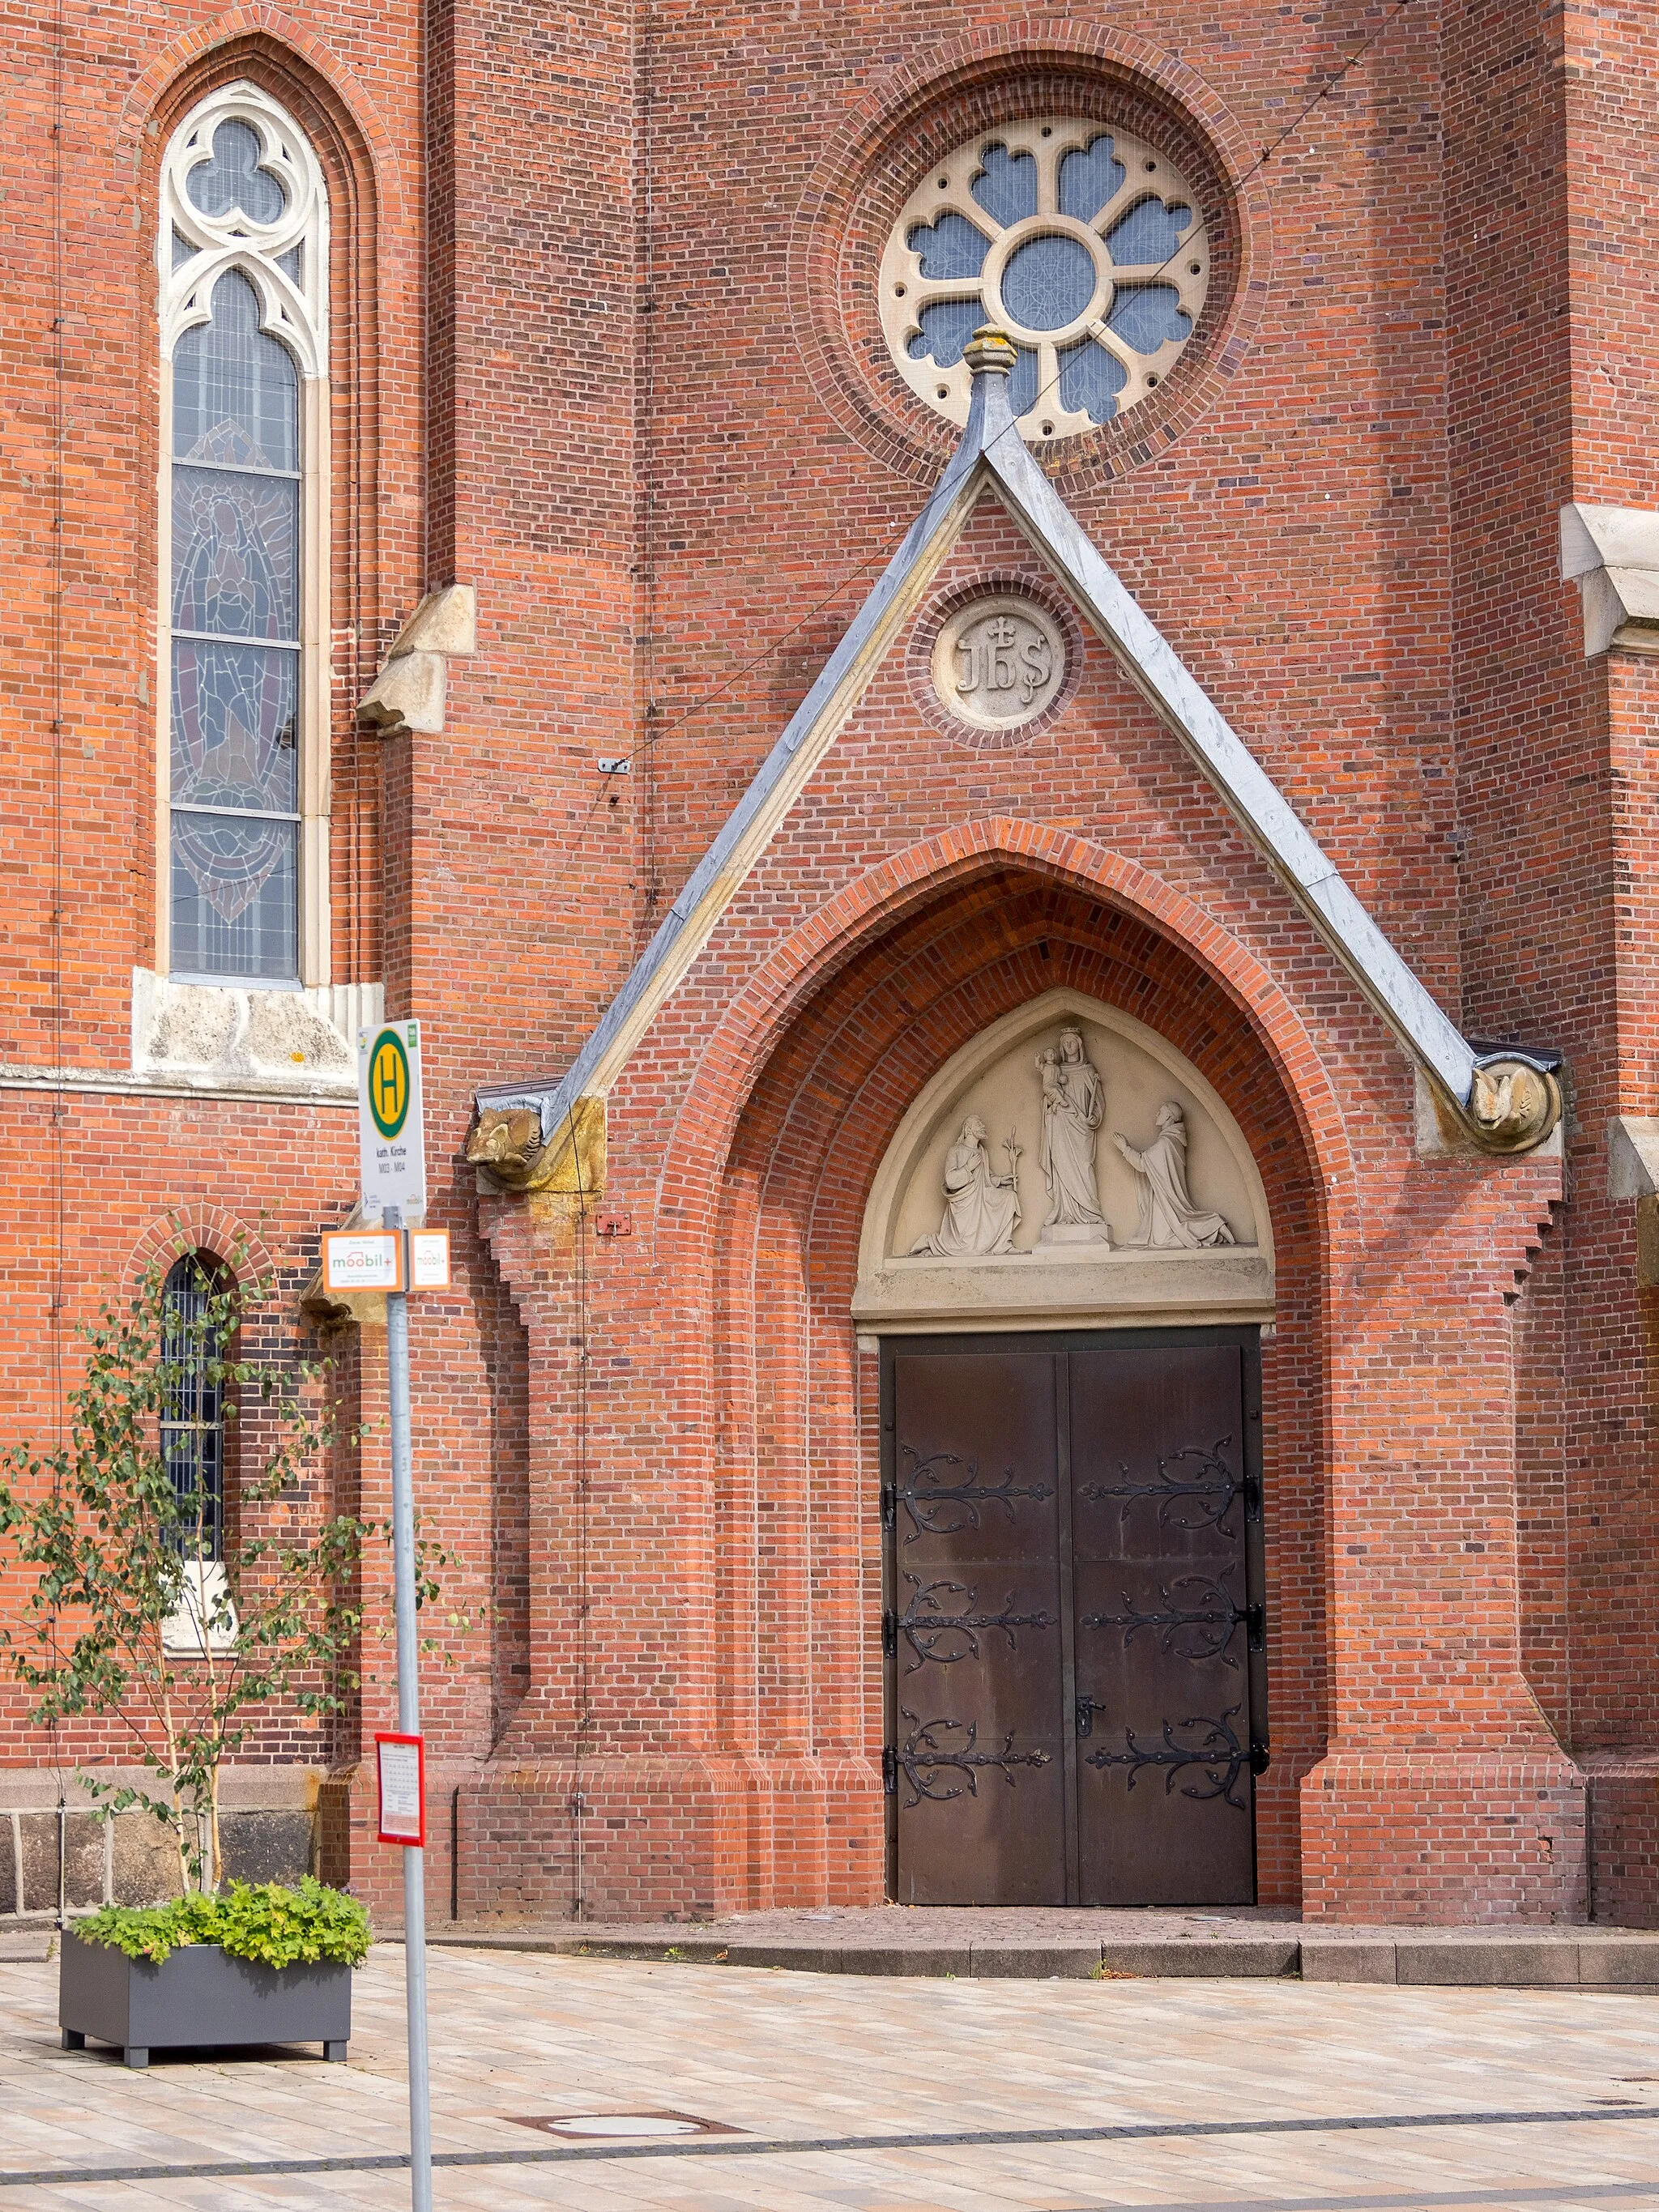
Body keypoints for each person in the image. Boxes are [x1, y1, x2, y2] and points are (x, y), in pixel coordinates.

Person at [1113, 1101, 1236, 1249]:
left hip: (1166, 1198)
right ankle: (1213, 1227)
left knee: (1164, 1238)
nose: (1157, 1114)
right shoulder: (1174, 1140)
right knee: (1162, 1238)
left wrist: (1125, 1148)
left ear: (1169, 1116)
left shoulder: (1165, 1143)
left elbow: (1142, 1163)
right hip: (1164, 1196)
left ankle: (1214, 1225)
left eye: (1161, 1111)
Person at [911, 1114, 1021, 1256]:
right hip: (964, 1201)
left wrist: (1000, 1180)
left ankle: (1003, 1245)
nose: (983, 1126)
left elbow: (984, 1178)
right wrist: (968, 1167)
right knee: (964, 1242)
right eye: (978, 1123)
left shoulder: (983, 1152)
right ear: (969, 1129)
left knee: (1009, 1198)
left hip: (982, 1195)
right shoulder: (955, 1151)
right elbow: (950, 1181)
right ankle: (930, 1242)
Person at [1038, 1027, 1108, 1233]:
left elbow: (1099, 1103)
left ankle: (1091, 1212)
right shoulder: (1057, 1071)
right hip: (1060, 1123)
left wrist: (1094, 1117)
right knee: (1061, 1166)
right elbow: (1047, 1095)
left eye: (1072, 1042)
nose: (1069, 1046)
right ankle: (1065, 1212)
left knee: (1085, 1164)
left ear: (1079, 1044)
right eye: (1065, 1043)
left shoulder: (1088, 1070)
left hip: (1082, 1127)